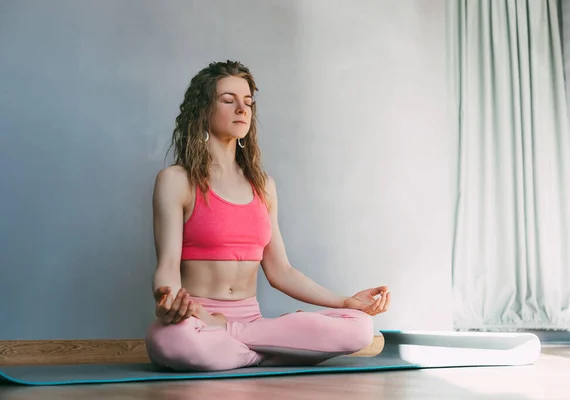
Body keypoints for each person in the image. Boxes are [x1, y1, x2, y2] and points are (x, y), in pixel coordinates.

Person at [144, 60, 391, 372]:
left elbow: (281, 271)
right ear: (203, 110)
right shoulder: (176, 180)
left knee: (359, 326)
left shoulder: (264, 187)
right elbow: (166, 265)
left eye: (247, 102)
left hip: (252, 322)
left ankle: (239, 340)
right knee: (171, 340)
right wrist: (167, 304)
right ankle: (271, 353)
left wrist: (345, 302)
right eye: (228, 100)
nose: (242, 109)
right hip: (198, 319)